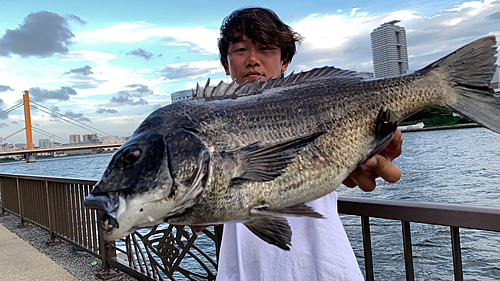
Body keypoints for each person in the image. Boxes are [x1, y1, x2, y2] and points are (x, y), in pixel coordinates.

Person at [194, 7, 403, 280]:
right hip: (245, 269)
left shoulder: (317, 107)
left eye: (265, 48)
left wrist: (375, 148)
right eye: (241, 50)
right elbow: (200, 222)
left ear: (285, 61)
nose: (253, 59)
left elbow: (369, 152)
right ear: (226, 62)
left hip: (323, 265)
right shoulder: (209, 125)